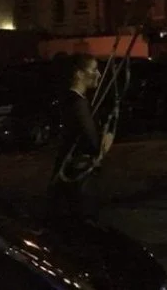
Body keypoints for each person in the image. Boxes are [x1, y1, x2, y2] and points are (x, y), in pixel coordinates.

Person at [47, 53, 113, 223]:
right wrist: (106, 141)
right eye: (94, 70)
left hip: (69, 170)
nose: (99, 74)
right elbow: (93, 144)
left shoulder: (71, 99)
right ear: (79, 74)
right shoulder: (78, 104)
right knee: (81, 219)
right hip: (78, 175)